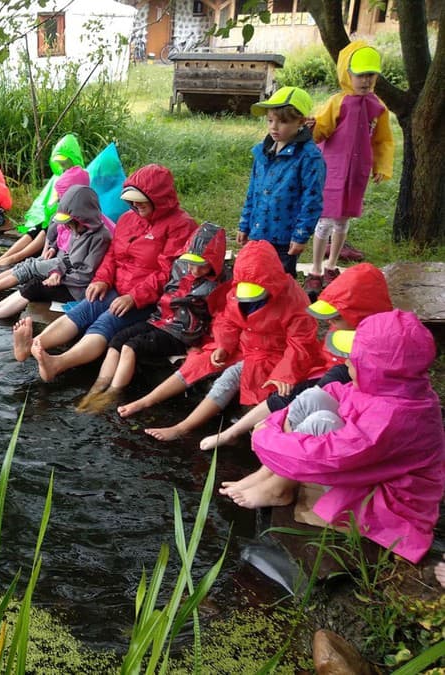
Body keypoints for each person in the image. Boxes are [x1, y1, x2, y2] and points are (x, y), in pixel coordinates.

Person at [220, 309, 445, 565]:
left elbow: (331, 455)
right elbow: (336, 392)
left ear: (377, 370)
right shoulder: (393, 388)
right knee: (312, 397)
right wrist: (271, 424)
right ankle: (267, 475)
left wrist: (265, 440)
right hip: (370, 473)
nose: (346, 362)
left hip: (392, 505)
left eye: (354, 359)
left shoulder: (394, 416)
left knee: (321, 422)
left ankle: (279, 488)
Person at [120, 240, 326, 441]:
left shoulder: (294, 300)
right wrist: (223, 346)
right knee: (197, 362)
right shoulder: (238, 290)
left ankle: (182, 428)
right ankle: (146, 401)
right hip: (242, 345)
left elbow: (301, 344)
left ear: (270, 282)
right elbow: (227, 320)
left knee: (232, 376)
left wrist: (285, 374)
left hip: (273, 354)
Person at [13, 164, 197, 381]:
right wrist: (101, 280)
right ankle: (34, 345)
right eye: (132, 200)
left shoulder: (181, 227)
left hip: (148, 299)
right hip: (117, 287)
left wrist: (134, 297)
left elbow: (168, 273)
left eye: (141, 200)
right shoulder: (128, 219)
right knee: (85, 309)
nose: (135, 205)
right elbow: (112, 255)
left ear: (158, 198)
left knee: (107, 322)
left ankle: (58, 364)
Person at [199, 262, 393, 450]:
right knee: (286, 393)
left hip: (342, 386)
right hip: (324, 371)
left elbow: (302, 345)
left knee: (299, 403)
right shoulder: (348, 323)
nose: (332, 320)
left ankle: (267, 441)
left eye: (336, 316)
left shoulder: (378, 340)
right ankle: (231, 433)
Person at [77, 221, 230, 413]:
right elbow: (162, 285)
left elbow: (221, 317)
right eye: (191, 263)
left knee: (131, 347)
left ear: (214, 263)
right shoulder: (180, 265)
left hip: (182, 333)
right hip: (160, 319)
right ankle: (97, 389)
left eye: (202, 266)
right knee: (117, 341)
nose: (194, 270)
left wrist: (206, 344)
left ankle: (112, 394)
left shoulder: (222, 283)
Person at [303, 42, 395, 297]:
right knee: (325, 218)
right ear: (347, 73)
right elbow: (322, 129)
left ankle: (332, 265)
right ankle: (316, 269)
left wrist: (382, 165)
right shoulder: (338, 102)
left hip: (357, 171)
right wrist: (311, 129)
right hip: (332, 169)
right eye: (359, 74)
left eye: (370, 75)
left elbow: (383, 139)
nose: (365, 81)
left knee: (343, 219)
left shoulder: (377, 106)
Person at [0, 186, 112, 320]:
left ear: (84, 218)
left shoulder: (100, 238)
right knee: (32, 280)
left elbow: (85, 275)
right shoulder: (77, 231)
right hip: (65, 278)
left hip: (77, 290)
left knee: (35, 287)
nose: (69, 228)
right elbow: (67, 258)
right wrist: (56, 271)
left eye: (72, 224)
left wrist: (60, 278)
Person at [0, 164, 94, 298]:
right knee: (28, 262)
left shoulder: (88, 225)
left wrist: (55, 267)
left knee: (30, 267)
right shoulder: (68, 214)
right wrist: (52, 248)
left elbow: (77, 258)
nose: (59, 200)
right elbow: (56, 235)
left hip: (64, 269)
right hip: (58, 259)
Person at [237, 86, 326, 278]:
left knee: (279, 282)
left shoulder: (309, 157)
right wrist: (245, 224)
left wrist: (301, 235)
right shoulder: (262, 151)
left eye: (283, 122)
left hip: (284, 238)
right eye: (270, 120)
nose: (274, 127)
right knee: (254, 277)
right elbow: (253, 191)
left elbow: (312, 200)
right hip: (258, 231)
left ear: (301, 122)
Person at [0, 134, 84, 267]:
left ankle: (15, 257)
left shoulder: (80, 175)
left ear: (72, 158)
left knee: (46, 231)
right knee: (34, 230)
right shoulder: (61, 175)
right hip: (55, 215)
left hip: (68, 217)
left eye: (64, 161)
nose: (61, 164)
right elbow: (51, 201)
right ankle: (5, 256)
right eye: (59, 161)